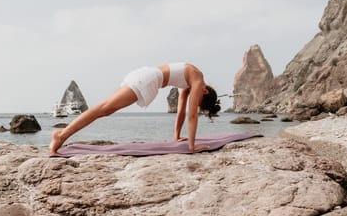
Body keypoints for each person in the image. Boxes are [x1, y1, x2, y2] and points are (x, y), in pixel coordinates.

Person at [49, 62, 221, 155]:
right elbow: (192, 115)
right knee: (104, 108)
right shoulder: (198, 79)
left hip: (145, 76)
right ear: (204, 91)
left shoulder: (190, 80)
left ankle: (62, 134)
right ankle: (61, 135)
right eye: (198, 100)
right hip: (147, 80)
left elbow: (182, 111)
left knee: (106, 109)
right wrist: (192, 147)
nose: (194, 100)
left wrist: (177, 137)